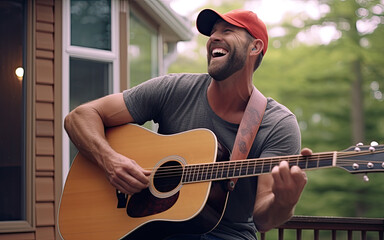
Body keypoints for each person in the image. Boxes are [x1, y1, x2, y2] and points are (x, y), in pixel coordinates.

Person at [64, 8, 309, 240]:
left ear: (255, 46)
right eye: (212, 32)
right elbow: (79, 117)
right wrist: (110, 160)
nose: (214, 37)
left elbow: (264, 220)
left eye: (227, 31)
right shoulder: (174, 89)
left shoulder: (277, 123)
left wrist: (284, 202)